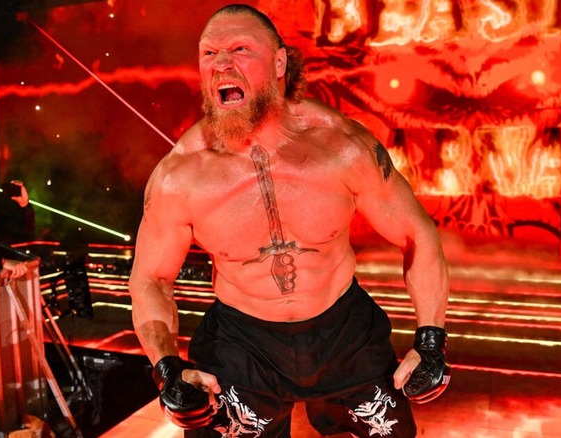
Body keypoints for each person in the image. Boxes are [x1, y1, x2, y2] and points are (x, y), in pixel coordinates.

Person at [128, 4, 450, 437]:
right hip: (243, 343)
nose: (221, 63)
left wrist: (430, 343)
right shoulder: (180, 176)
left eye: (240, 49)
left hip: (343, 332)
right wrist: (167, 370)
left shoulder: (342, 147)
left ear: (280, 62)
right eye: (209, 53)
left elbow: (417, 234)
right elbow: (150, 278)